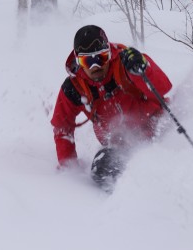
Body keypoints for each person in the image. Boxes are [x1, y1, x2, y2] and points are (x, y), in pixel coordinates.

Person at [51, 24, 172, 189]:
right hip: (120, 146)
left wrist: (143, 68)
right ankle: (128, 201)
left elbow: (164, 87)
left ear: (109, 53)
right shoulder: (75, 87)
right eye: (87, 61)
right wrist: (69, 167)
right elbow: (62, 126)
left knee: (172, 151)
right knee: (102, 169)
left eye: (100, 58)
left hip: (160, 127)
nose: (96, 67)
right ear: (79, 62)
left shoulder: (127, 63)